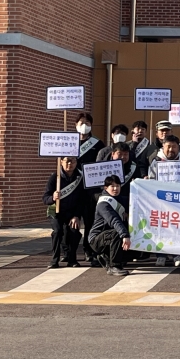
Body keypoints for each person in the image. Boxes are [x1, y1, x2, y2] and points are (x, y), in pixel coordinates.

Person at [147, 135, 180, 268]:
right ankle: (161, 255)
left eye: (174, 147)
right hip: (161, 203)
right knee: (161, 229)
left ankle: (177, 254)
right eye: (168, 146)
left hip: (179, 203)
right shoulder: (156, 161)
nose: (171, 149)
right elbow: (152, 182)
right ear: (163, 147)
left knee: (177, 228)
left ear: (179, 148)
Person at [42, 156, 83, 268]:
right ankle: (54, 260)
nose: (70, 164)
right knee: (58, 231)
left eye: (73, 161)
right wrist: (53, 197)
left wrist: (76, 215)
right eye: (67, 161)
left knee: (74, 231)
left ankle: (72, 259)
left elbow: (81, 199)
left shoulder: (80, 177)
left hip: (72, 212)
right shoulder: (55, 177)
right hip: (55, 211)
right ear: (61, 162)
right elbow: (45, 198)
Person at [76, 112, 105, 266]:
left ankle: (89, 250)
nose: (84, 125)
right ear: (76, 125)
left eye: (87, 122)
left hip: (90, 189)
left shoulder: (97, 144)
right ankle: (68, 252)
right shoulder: (69, 142)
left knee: (89, 222)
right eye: (81, 122)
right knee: (71, 222)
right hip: (73, 188)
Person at [88, 175, 130, 276]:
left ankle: (105, 257)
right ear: (105, 188)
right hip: (96, 239)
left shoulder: (121, 199)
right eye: (112, 186)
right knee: (118, 233)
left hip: (108, 236)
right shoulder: (103, 204)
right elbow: (113, 220)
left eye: (118, 186)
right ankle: (114, 266)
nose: (116, 188)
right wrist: (125, 235)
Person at [109, 142, 137, 208]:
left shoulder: (134, 167)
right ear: (113, 154)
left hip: (126, 204)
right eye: (120, 154)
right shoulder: (102, 167)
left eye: (125, 154)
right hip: (106, 202)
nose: (122, 157)